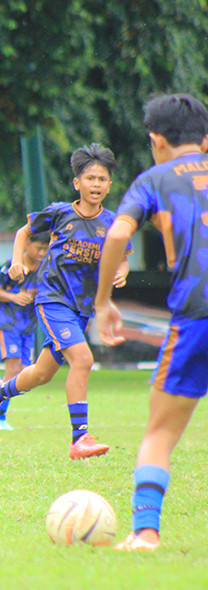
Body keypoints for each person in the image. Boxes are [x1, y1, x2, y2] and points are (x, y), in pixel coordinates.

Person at [94, 93, 208, 552]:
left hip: (196, 317)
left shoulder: (154, 179)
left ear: (156, 140)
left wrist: (104, 301)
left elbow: (119, 233)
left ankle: (145, 532)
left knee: (160, 432)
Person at [0, 143, 132, 459]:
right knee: (83, 360)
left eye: (102, 179)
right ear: (77, 183)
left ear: (110, 185)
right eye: (90, 178)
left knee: (42, 374)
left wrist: (122, 271)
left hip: (81, 309)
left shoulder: (114, 223)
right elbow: (23, 232)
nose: (96, 185)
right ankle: (80, 438)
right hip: (53, 300)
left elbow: (123, 255)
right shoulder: (60, 213)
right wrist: (17, 260)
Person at [0, 231, 50, 430]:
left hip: (28, 328)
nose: (42, 252)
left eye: (46, 248)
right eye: (39, 248)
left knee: (25, 376)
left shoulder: (45, 269)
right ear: (27, 244)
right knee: (14, 371)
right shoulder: (13, 266)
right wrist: (14, 296)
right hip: (8, 325)